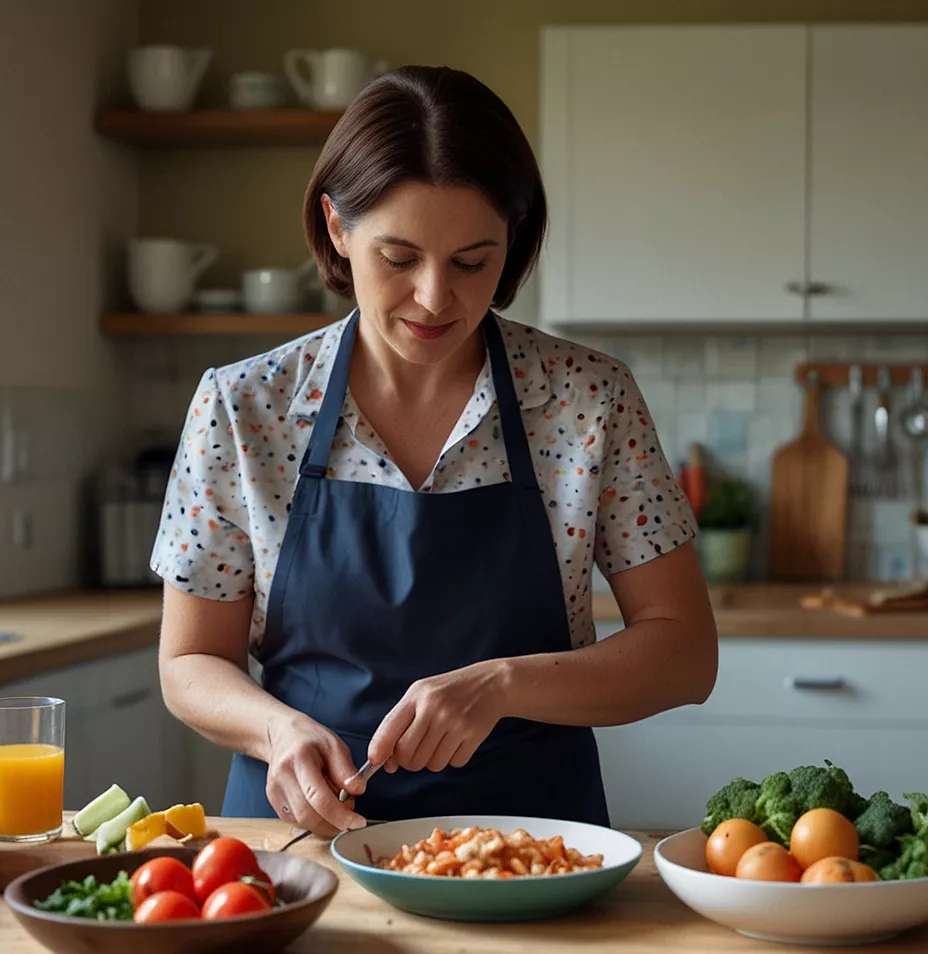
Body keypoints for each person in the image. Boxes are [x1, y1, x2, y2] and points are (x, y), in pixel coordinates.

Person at [151, 65, 717, 835]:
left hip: (533, 849)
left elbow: (685, 654)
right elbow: (189, 665)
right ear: (337, 229)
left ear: (511, 245)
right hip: (303, 844)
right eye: (399, 257)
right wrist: (275, 731)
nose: (433, 297)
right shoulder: (244, 408)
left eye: (472, 262)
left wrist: (504, 684)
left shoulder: (590, 400)